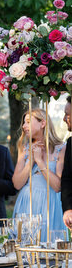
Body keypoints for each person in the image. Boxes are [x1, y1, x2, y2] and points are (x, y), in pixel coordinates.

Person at [13, 109, 67, 244]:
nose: (23, 126)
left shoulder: (61, 148)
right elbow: (17, 184)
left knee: (50, 249)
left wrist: (40, 161)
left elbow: (57, 186)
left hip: (51, 204)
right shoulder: (23, 147)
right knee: (25, 249)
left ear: (42, 123)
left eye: (28, 122)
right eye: (23, 123)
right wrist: (31, 161)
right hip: (27, 203)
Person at [61, 96, 72, 228]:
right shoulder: (70, 143)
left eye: (67, 114)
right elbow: (67, 178)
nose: (64, 119)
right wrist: (68, 208)